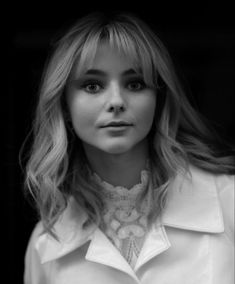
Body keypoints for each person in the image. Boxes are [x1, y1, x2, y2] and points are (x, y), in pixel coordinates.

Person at [22, 11, 235, 284]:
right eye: (92, 85)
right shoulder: (46, 245)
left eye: (134, 84)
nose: (116, 101)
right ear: (64, 105)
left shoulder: (228, 200)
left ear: (158, 98)